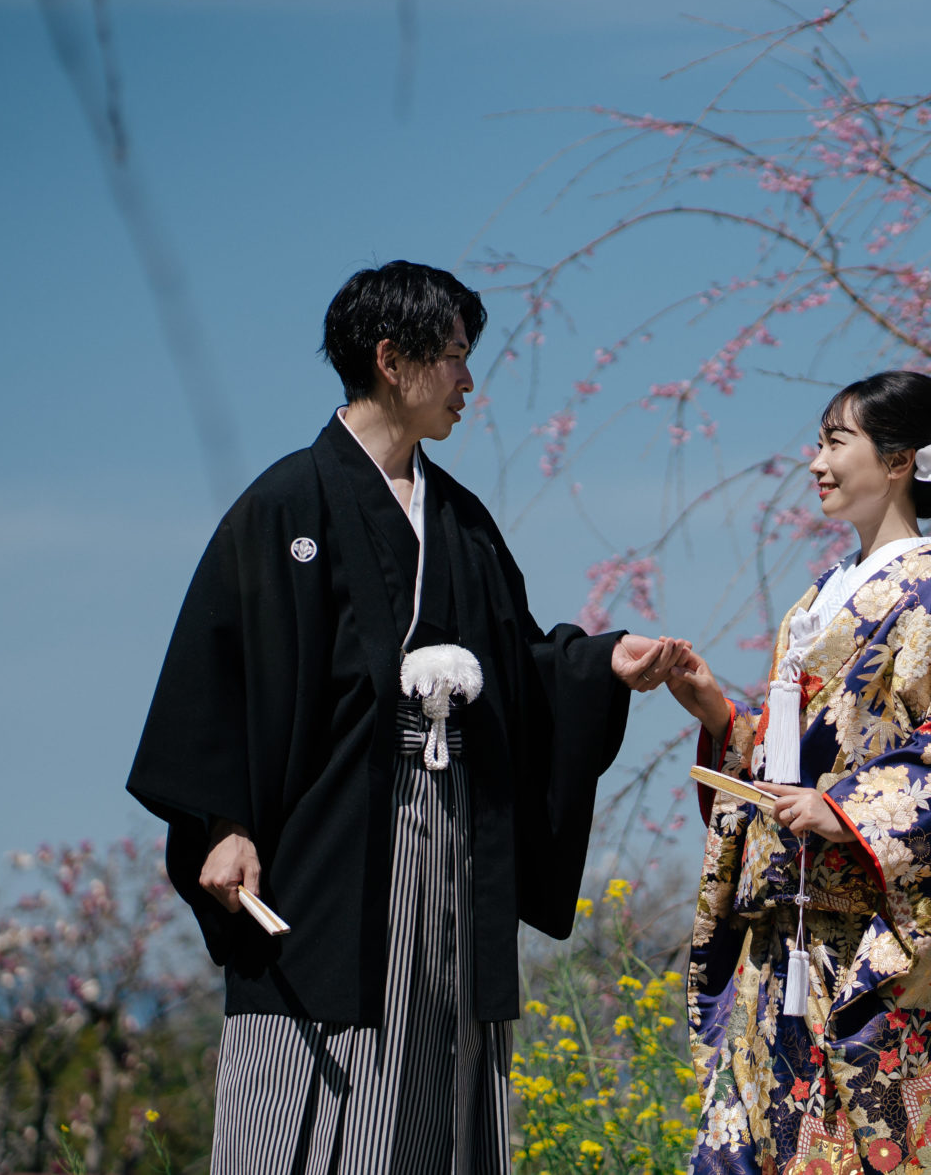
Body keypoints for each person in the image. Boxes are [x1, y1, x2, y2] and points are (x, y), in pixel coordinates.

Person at [126, 261, 690, 1175]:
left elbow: (519, 666)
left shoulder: (461, 520)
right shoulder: (284, 507)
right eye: (457, 359)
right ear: (393, 359)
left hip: (454, 847)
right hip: (325, 853)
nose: (471, 383)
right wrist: (224, 826)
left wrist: (601, 663)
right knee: (305, 1087)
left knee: (443, 1076)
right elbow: (214, 678)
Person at [663, 371, 931, 1175]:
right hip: (784, 940)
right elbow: (801, 757)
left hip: (868, 936)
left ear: (899, 461)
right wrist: (723, 717)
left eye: (835, 442)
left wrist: (853, 811)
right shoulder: (816, 601)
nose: (815, 462)